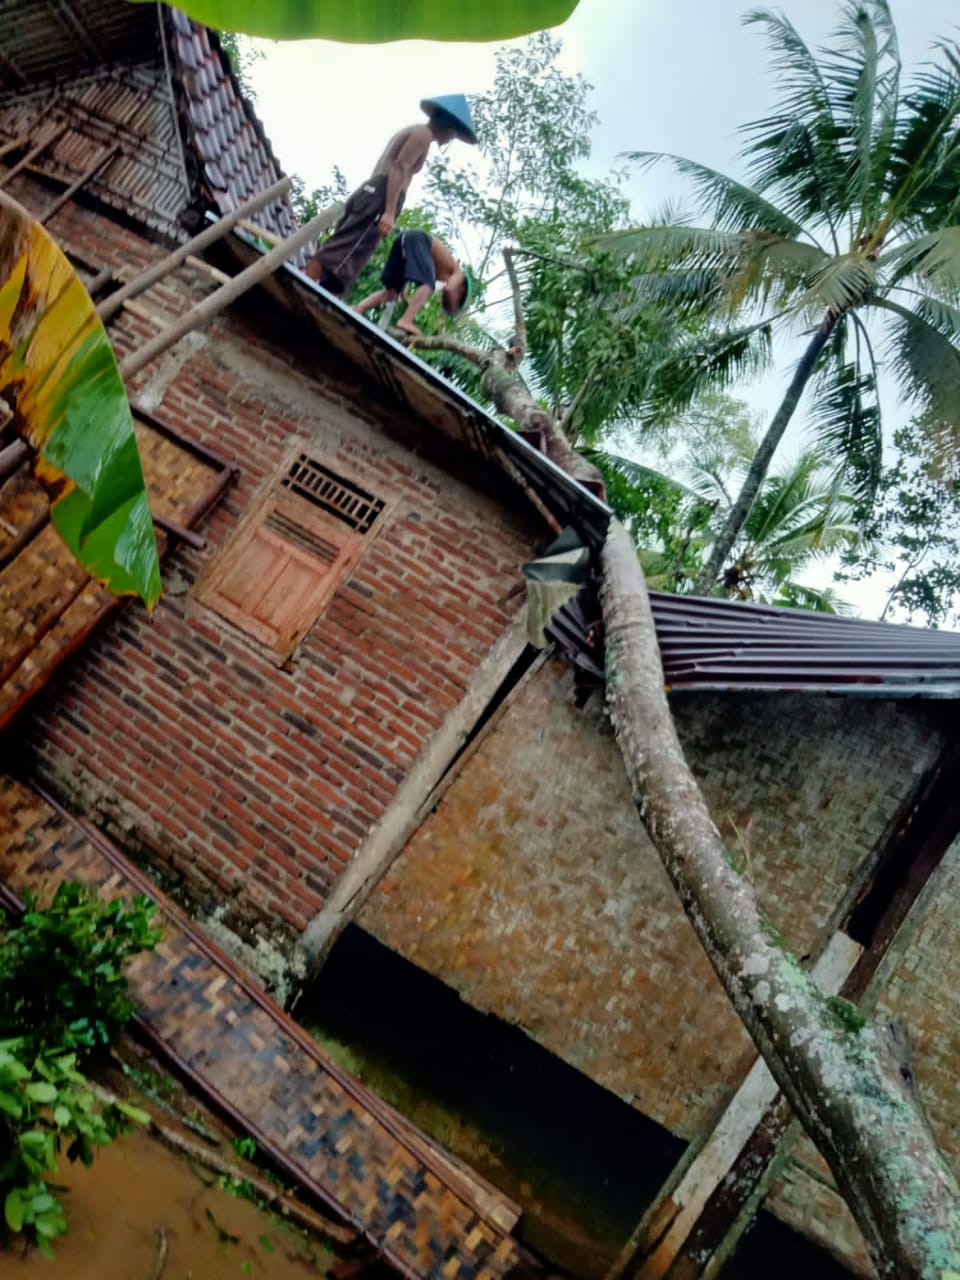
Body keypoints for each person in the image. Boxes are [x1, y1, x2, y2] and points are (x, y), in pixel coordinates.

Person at [303, 94, 476, 300]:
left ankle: (320, 299)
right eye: (453, 133)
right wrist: (389, 211)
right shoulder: (423, 134)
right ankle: (302, 286)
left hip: (372, 191)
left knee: (346, 257)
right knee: (341, 252)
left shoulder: (414, 131)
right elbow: (400, 166)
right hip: (382, 195)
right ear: (448, 127)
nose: (451, 138)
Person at [352, 230, 473, 334]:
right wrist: (455, 307)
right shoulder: (458, 273)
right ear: (462, 289)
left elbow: (415, 269)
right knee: (428, 285)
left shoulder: (439, 272)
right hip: (419, 239)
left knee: (393, 293)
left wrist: (403, 286)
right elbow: (449, 288)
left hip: (403, 240)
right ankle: (406, 320)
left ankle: (358, 308)